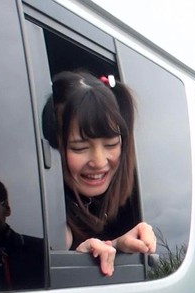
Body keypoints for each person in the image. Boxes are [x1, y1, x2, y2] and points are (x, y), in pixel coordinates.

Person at [43, 70, 156, 276]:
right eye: (79, 147)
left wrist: (115, 245)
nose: (99, 161)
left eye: (111, 144)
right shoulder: (49, 218)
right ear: (52, 147)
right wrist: (77, 258)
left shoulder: (114, 208)